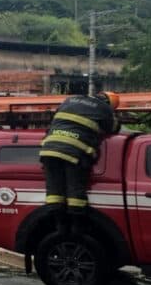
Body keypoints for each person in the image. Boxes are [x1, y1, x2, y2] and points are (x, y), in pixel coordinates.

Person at [40, 92, 120, 232]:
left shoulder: (70, 100)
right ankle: (77, 227)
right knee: (75, 192)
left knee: (54, 192)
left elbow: (55, 120)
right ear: (110, 105)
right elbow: (113, 128)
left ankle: (59, 226)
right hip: (74, 152)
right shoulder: (104, 109)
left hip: (49, 149)